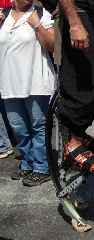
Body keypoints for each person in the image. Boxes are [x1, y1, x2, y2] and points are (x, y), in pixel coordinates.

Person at [0, 0, 55, 186]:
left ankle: (42, 167)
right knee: (19, 128)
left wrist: (37, 25)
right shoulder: (4, 16)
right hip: (9, 83)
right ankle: (27, 163)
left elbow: (52, 45)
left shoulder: (41, 13)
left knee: (38, 126)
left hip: (36, 82)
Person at [53, 0, 94, 173]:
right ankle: (72, 140)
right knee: (84, 84)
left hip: (93, 14)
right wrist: (75, 23)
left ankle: (78, 134)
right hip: (80, 14)